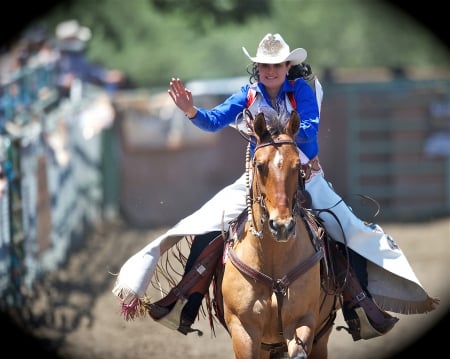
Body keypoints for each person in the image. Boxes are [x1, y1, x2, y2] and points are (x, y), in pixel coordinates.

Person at [112, 33, 438, 340]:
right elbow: (214, 120)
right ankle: (184, 299)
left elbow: (309, 127)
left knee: (347, 228)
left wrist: (284, 141)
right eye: (264, 65)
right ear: (259, 68)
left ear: (287, 67)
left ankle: (360, 307)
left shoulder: (301, 91)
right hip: (258, 179)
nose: (270, 71)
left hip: (306, 176)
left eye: (276, 65)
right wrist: (190, 110)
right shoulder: (248, 94)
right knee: (203, 225)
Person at [54, 19, 126, 98]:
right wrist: (62, 81)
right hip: (68, 97)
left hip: (85, 91)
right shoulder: (56, 57)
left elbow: (88, 70)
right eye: (75, 38)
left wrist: (106, 75)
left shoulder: (78, 54)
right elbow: (50, 80)